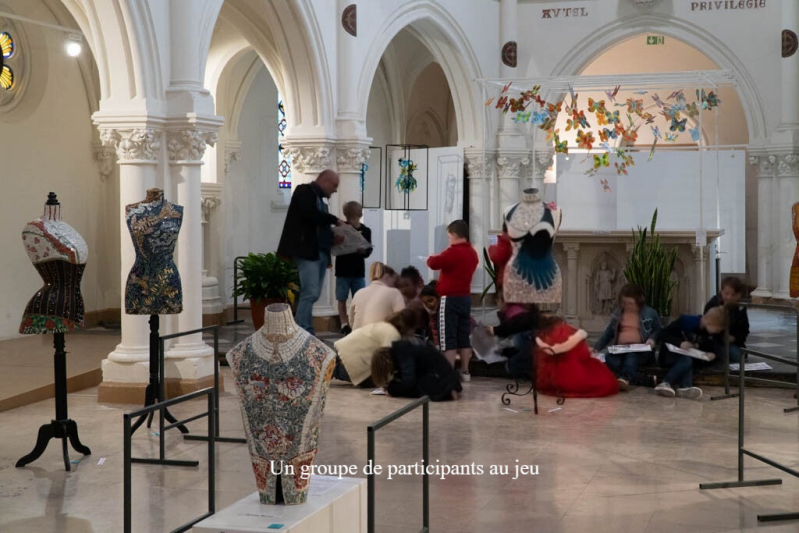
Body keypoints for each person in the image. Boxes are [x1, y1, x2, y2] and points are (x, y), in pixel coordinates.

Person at [277, 170, 344, 335]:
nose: (335, 190)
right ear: (325, 181)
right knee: (310, 292)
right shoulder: (304, 191)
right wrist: (334, 219)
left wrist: (332, 239)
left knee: (313, 294)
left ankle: (303, 329)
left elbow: (317, 227)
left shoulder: (320, 199)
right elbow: (309, 215)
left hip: (318, 252)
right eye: (334, 186)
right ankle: (304, 331)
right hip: (306, 251)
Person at [427, 220, 479, 381]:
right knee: (463, 335)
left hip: (449, 300)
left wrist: (429, 258)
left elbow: (433, 263)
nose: (448, 240)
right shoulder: (472, 253)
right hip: (465, 298)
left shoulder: (453, 252)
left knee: (447, 337)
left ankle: (447, 374)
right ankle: (465, 371)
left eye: (449, 236)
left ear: (455, 235)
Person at [594, 284, 662, 391]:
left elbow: (659, 330)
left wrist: (652, 340)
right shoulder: (618, 313)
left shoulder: (650, 313)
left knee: (631, 357)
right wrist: (597, 347)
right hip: (620, 349)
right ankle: (643, 379)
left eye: (630, 303)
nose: (627, 306)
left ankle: (625, 377)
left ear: (639, 302)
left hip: (640, 351)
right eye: (624, 303)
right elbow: (609, 332)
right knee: (609, 358)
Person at [535, 318, 619, 398]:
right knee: (603, 378)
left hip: (553, 379)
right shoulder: (569, 333)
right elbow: (581, 354)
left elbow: (551, 351)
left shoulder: (546, 337)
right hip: (572, 375)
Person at [655, 306, 726, 400]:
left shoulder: (708, 333)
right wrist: (680, 343)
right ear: (710, 323)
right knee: (687, 360)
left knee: (688, 360)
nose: (718, 332)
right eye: (717, 329)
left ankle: (685, 388)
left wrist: (712, 355)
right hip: (668, 355)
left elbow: (713, 348)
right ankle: (666, 382)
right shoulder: (686, 321)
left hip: (686, 356)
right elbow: (664, 334)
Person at [333, 309, 418, 386]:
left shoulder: (384, 325)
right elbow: (389, 360)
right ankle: (333, 369)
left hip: (343, 350)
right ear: (409, 328)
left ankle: (332, 367)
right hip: (351, 364)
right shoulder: (393, 334)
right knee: (377, 382)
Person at [371, 341, 463, 401]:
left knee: (415, 388)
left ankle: (447, 391)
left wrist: (392, 390)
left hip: (439, 382)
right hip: (447, 377)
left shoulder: (403, 355)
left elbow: (409, 382)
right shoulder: (402, 350)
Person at [335, 201, 372, 336]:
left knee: (359, 298)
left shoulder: (366, 230)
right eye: (351, 217)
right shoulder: (341, 229)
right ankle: (344, 323)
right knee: (342, 298)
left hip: (357, 270)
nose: (353, 219)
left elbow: (368, 251)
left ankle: (357, 322)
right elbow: (335, 246)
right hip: (343, 269)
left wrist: (363, 251)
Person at [704, 276, 749, 364]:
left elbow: (744, 329)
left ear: (739, 295)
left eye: (733, 295)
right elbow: (707, 326)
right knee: (732, 355)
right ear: (721, 291)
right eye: (726, 294)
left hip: (732, 342)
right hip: (715, 341)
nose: (729, 297)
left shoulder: (740, 308)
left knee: (739, 355)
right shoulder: (713, 304)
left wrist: (734, 338)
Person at [349, 262, 405, 330]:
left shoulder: (358, 293)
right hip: (380, 338)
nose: (394, 285)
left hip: (356, 338)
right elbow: (404, 320)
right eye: (394, 281)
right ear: (388, 277)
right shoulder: (394, 292)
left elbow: (351, 320)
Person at [487, 224, 512, 307]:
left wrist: (492, 247)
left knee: (509, 309)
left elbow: (497, 256)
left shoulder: (505, 240)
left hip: (508, 279)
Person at [398, 266, 426, 333]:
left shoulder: (422, 297)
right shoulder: (400, 298)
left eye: (407, 285)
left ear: (416, 285)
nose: (404, 289)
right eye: (401, 286)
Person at [420, 282, 440, 347]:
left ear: (438, 296)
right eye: (425, 303)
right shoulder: (432, 313)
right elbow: (435, 330)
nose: (429, 305)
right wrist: (437, 346)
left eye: (430, 300)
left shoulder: (446, 309)